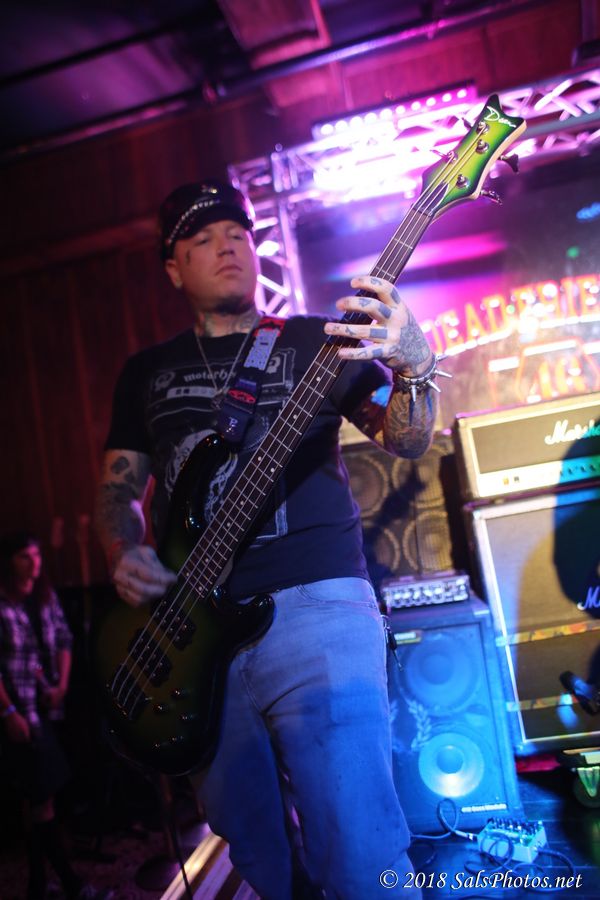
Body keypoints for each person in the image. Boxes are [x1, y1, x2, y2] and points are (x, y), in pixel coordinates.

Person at [94, 180, 439, 899]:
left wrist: (414, 365)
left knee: (360, 849)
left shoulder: (317, 340)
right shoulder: (146, 373)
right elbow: (119, 491)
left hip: (317, 607)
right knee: (255, 850)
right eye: (203, 239)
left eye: (238, 235)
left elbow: (405, 438)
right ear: (173, 269)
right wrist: (123, 551)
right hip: (191, 633)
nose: (227, 247)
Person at [0, 532, 108, 900]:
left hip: (45, 707)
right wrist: (8, 711)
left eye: (37, 555)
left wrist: (60, 683)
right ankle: (71, 883)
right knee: (41, 799)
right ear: (9, 562)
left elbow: (63, 638)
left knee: (38, 800)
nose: (34, 563)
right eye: (24, 556)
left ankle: (36, 884)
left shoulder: (43, 596)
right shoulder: (3, 603)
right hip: (18, 712)